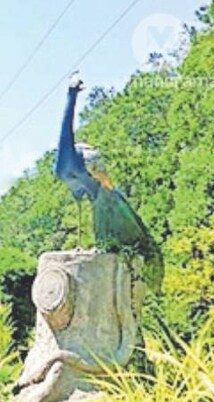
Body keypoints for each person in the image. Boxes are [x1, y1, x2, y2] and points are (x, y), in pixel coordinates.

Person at [53, 76, 164, 294]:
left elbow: (105, 185)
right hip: (75, 173)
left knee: (98, 205)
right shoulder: (58, 167)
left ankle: (100, 242)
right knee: (78, 204)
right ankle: (80, 243)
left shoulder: (87, 158)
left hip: (98, 188)